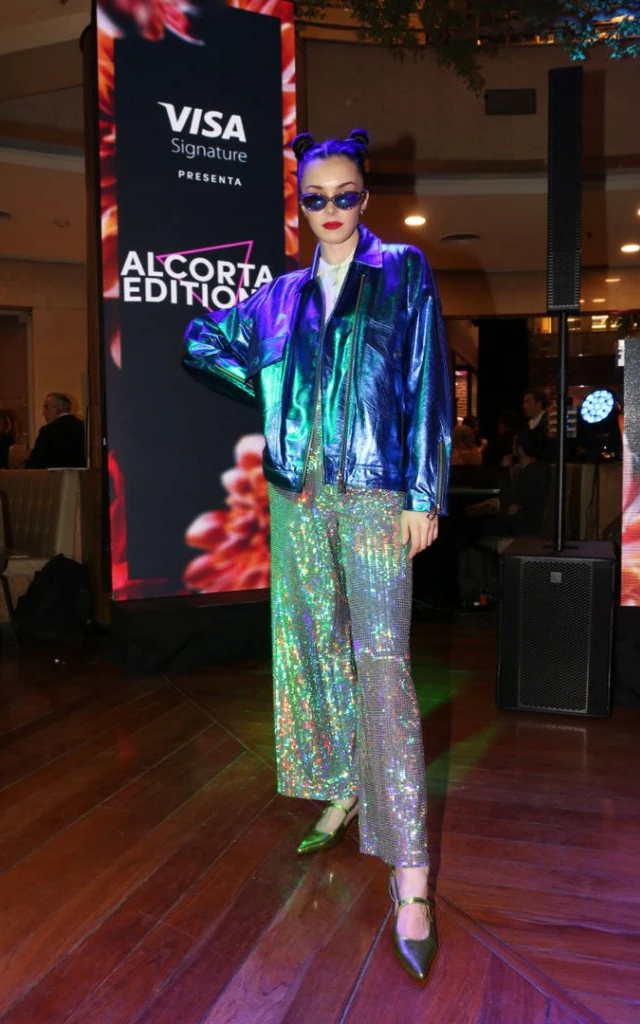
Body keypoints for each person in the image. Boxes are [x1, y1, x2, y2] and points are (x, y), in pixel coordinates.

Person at [182, 129, 451, 981]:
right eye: (314, 198)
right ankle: (343, 786)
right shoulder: (280, 295)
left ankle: (410, 871)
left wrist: (424, 493)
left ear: (364, 197)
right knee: (314, 650)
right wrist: (277, 391)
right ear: (298, 205)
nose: (330, 210)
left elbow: (427, 381)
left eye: (345, 195)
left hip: (375, 494)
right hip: (297, 498)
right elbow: (199, 340)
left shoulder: (400, 270)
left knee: (384, 664)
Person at [469, 428, 552, 537]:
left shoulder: (530, 473)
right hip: (531, 523)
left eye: (513, 444)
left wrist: (504, 472)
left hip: (526, 528)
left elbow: (506, 499)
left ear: (520, 450)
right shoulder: (541, 469)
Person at [25, 393, 86, 469]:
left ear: (58, 409)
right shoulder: (85, 427)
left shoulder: (48, 431)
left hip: (55, 476)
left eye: (46, 408)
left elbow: (34, 463)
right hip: (84, 475)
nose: (43, 413)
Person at [522, 388, 551, 460]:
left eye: (528, 402)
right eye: (524, 402)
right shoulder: (528, 425)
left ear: (539, 403)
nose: (524, 405)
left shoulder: (548, 423)